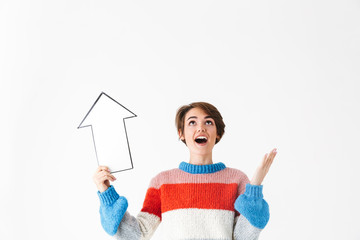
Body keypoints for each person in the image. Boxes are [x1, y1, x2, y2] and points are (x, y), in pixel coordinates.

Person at [93, 102, 277, 240]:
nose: (200, 127)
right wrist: (106, 194)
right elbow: (136, 234)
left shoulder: (236, 179)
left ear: (218, 133)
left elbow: (243, 237)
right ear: (181, 133)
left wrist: (255, 187)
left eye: (209, 122)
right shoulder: (162, 182)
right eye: (192, 122)